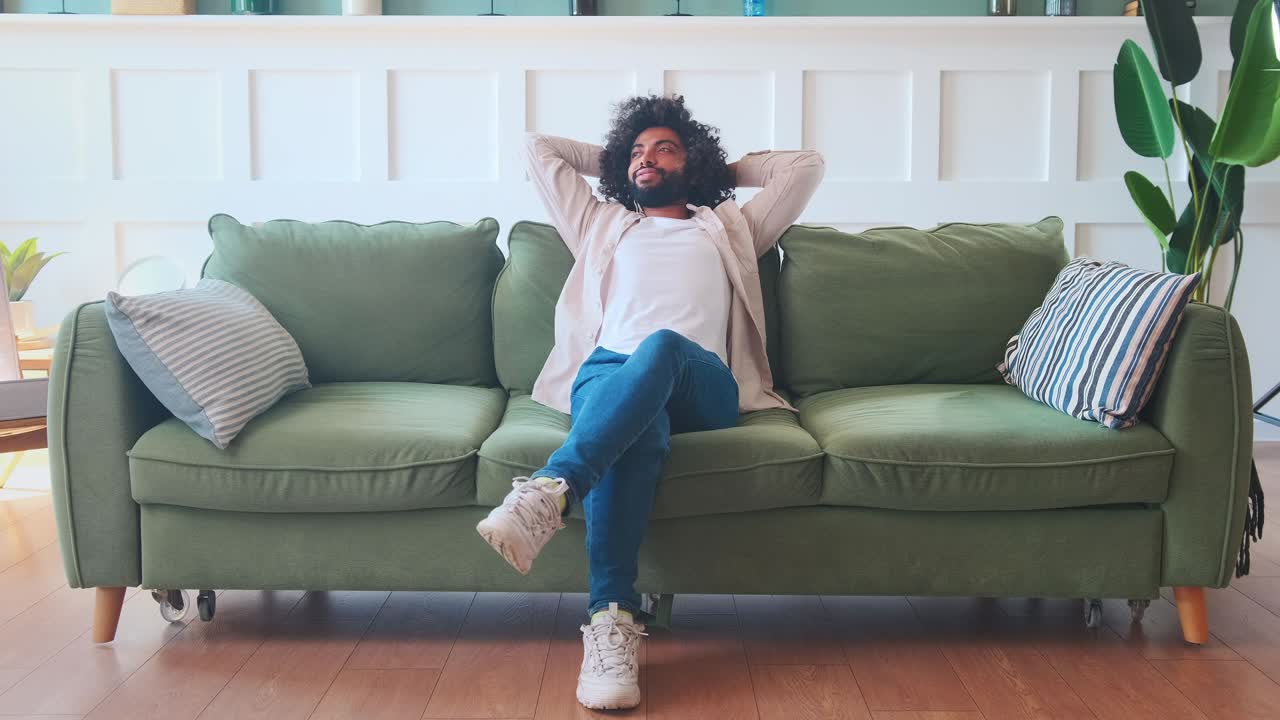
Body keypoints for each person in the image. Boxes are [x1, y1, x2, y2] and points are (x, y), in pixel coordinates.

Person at [475, 93, 824, 710]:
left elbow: (803, 167)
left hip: (703, 380)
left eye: (665, 148)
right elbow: (539, 149)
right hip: (608, 374)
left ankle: (552, 489)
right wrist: (620, 156)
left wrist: (719, 173)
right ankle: (611, 623)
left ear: (693, 162)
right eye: (637, 151)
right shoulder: (600, 221)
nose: (646, 158)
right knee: (638, 433)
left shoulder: (731, 226)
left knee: (661, 345)